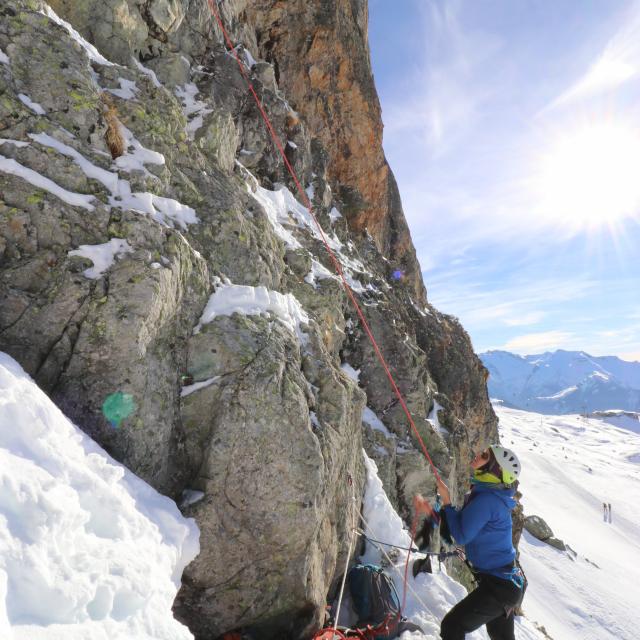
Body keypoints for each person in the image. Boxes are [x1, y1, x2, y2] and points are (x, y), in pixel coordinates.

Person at [415, 444, 524, 640]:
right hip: (505, 584)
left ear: (495, 469)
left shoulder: (487, 500)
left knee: (452, 625)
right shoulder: (491, 497)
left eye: (484, 456)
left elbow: (462, 535)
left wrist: (447, 501)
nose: (477, 456)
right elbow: (467, 529)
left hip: (498, 585)